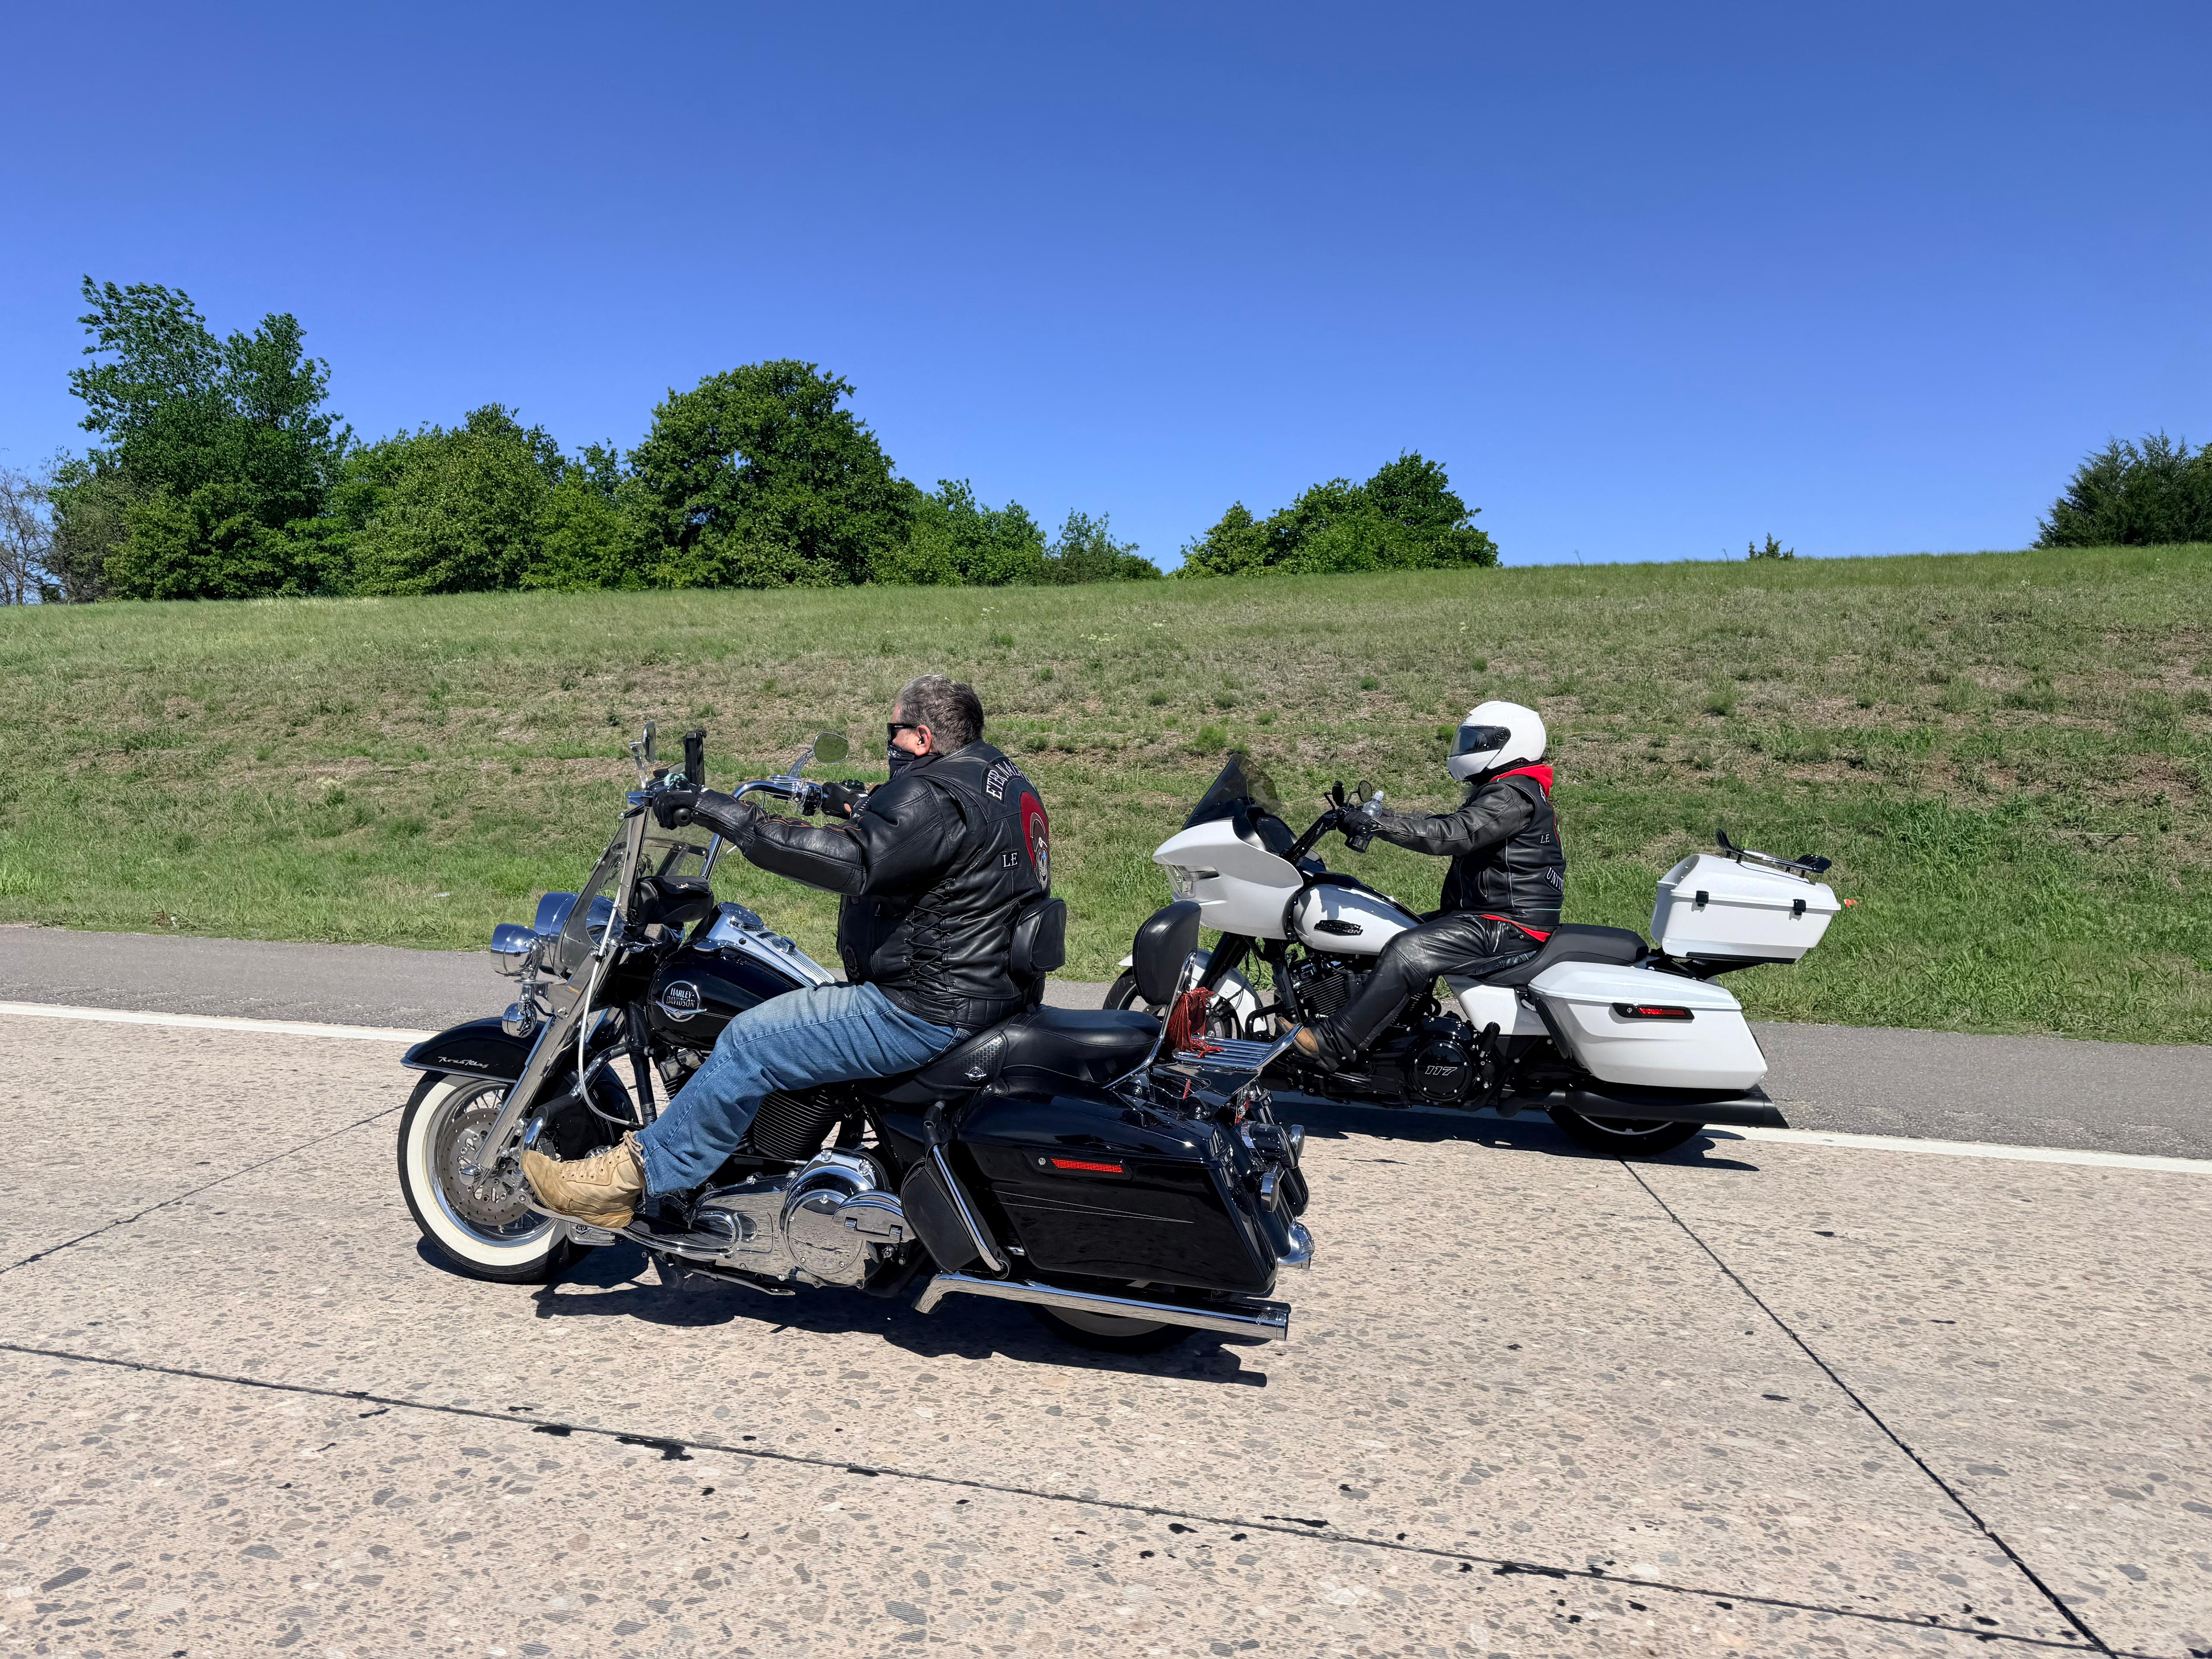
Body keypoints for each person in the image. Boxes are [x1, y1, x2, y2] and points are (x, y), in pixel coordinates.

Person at [522, 674, 1052, 1229]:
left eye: (892, 732)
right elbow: (932, 841)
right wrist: (858, 802)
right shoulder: (998, 776)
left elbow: (851, 861)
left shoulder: (933, 795)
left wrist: (720, 813)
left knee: (751, 1038)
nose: (888, 744)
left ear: (921, 737)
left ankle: (628, 1180)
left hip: (925, 1008)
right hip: (990, 990)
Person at [1289, 700, 1564, 1071]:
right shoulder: (1508, 789)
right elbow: (1450, 822)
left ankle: (1333, 1044)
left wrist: (1379, 827)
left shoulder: (1512, 795)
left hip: (1508, 923)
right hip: (1492, 915)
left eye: (1479, 741)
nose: (1469, 749)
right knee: (1386, 927)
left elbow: (1455, 833)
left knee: (1407, 950)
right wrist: (1377, 816)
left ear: (1511, 743)